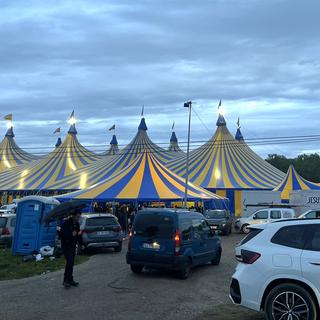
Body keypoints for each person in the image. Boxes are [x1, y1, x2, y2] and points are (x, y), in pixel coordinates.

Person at [60, 209, 82, 288]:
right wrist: (70, 234)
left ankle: (70, 279)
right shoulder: (66, 223)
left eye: (79, 217)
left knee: (71, 262)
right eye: (77, 217)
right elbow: (61, 234)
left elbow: (78, 234)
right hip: (66, 245)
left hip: (73, 245)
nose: (78, 218)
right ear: (73, 216)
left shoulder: (77, 224)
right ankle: (65, 280)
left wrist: (81, 243)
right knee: (69, 261)